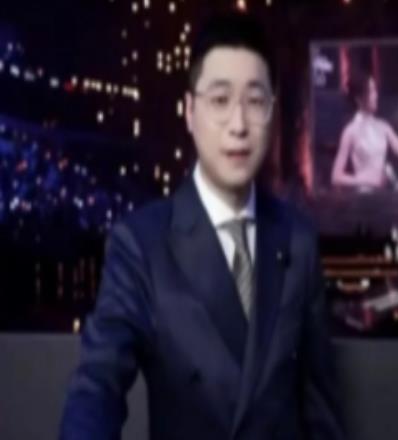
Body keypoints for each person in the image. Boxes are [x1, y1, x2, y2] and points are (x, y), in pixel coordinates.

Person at [60, 12, 345, 440]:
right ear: (190, 111)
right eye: (220, 100)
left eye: (255, 101)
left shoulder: (298, 240)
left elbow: (321, 414)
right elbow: (97, 386)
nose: (238, 125)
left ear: (272, 111)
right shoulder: (142, 244)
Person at [331, 71, 398, 191]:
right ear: (359, 98)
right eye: (371, 91)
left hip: (381, 193)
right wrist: (365, 180)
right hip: (363, 194)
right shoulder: (350, 131)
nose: (376, 95)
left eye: (375, 90)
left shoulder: (383, 126)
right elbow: (336, 177)